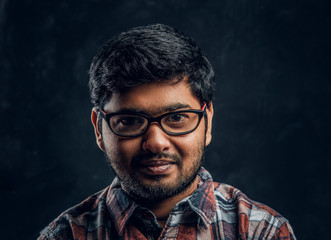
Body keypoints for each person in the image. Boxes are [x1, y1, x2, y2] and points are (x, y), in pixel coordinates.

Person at [38, 24, 296, 240]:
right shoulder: (64, 235)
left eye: (177, 118)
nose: (155, 143)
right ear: (98, 128)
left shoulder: (260, 231)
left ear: (207, 122)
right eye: (129, 121)